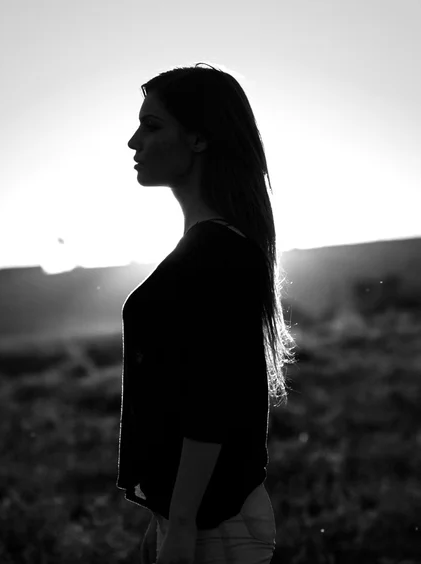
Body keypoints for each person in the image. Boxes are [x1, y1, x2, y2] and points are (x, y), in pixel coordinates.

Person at [118, 62, 297, 564]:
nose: (134, 142)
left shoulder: (218, 254)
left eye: (152, 126)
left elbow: (210, 401)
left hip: (212, 522)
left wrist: (180, 525)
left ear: (198, 140)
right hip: (196, 516)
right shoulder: (205, 247)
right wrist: (165, 519)